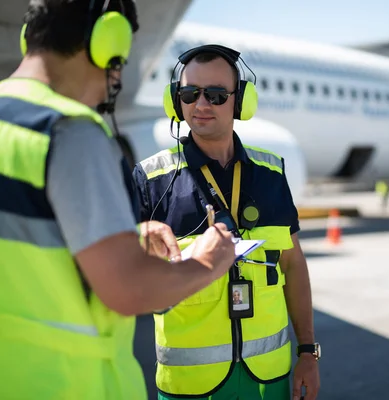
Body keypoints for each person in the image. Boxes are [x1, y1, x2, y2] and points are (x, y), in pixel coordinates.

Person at [0, 1, 236, 399]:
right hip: (69, 383)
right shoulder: (71, 133)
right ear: (108, 43)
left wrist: (121, 234)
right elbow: (129, 290)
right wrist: (210, 261)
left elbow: (23, 244)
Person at [131, 44, 321, 400]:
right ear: (176, 99)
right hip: (189, 387)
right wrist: (138, 237)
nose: (201, 105)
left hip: (269, 379)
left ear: (241, 102)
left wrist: (308, 352)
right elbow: (123, 273)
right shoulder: (151, 178)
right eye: (189, 93)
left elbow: (293, 265)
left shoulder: (271, 174)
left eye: (216, 95)